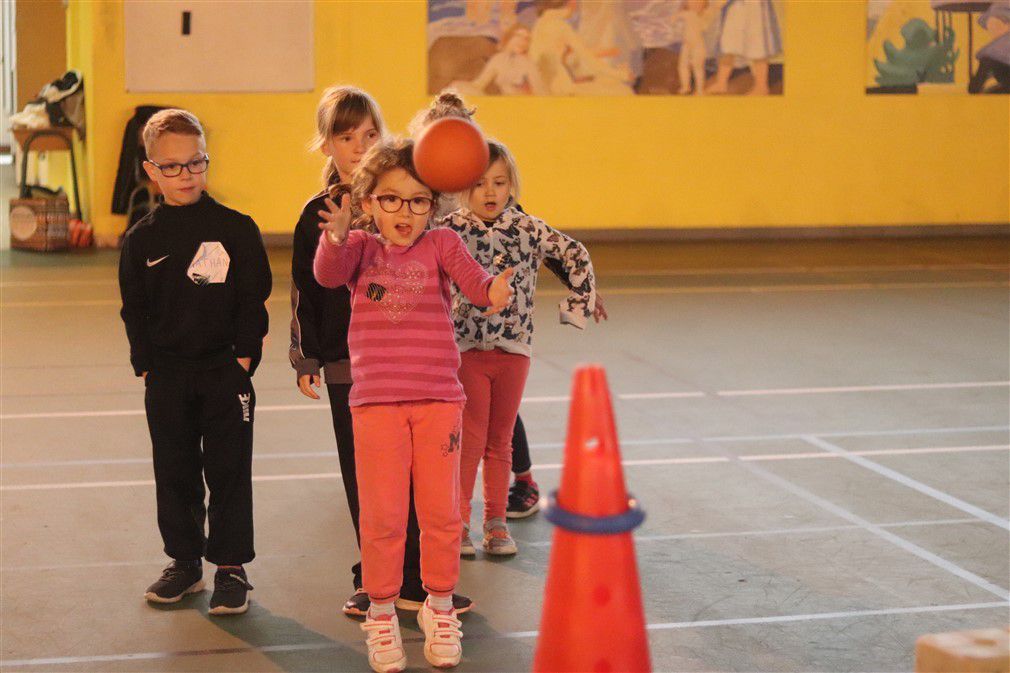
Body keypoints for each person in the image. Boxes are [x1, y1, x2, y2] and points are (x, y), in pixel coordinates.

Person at [313, 137, 513, 672]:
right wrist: (333, 237)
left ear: (435, 205)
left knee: (441, 513)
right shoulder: (358, 247)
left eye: (418, 200)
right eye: (391, 200)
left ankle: (440, 605)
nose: (405, 212)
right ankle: (381, 612)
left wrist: (493, 292)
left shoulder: (442, 243)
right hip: (376, 404)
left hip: (439, 402)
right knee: (382, 514)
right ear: (370, 201)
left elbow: (474, 285)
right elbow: (327, 275)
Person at [290, 86, 473, 618]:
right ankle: (372, 580)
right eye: (345, 137)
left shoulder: (403, 197)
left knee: (423, 479)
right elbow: (306, 284)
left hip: (415, 369)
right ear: (325, 145)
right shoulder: (319, 214)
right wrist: (306, 356)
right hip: (354, 370)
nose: (359, 145)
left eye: (370, 134)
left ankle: (421, 579)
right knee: (370, 483)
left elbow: (442, 264)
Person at [409, 91, 608, 523]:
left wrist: (583, 291)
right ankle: (452, 509)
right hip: (458, 338)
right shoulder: (430, 198)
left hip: (509, 342)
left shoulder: (504, 200)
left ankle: (519, 484)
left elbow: (545, 245)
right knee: (461, 424)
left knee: (498, 423)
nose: (489, 189)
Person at [118, 109, 271, 615]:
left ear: (207, 160)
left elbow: (254, 298)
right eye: (173, 167)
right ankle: (184, 562)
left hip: (225, 373)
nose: (186, 175)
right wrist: (146, 364)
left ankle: (230, 567)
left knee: (229, 472)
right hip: (168, 377)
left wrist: (245, 359)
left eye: (195, 163)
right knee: (176, 471)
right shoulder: (141, 239)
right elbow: (133, 308)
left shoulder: (237, 229)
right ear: (151, 170)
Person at [441, 140, 597, 556]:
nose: (490, 192)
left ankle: (495, 524)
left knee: (501, 439)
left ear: (512, 185)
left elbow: (575, 254)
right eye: (479, 184)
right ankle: (458, 525)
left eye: (499, 182)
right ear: (462, 189)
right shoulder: (449, 231)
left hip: (514, 351)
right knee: (470, 439)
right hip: (465, 349)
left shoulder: (528, 229)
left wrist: (578, 305)